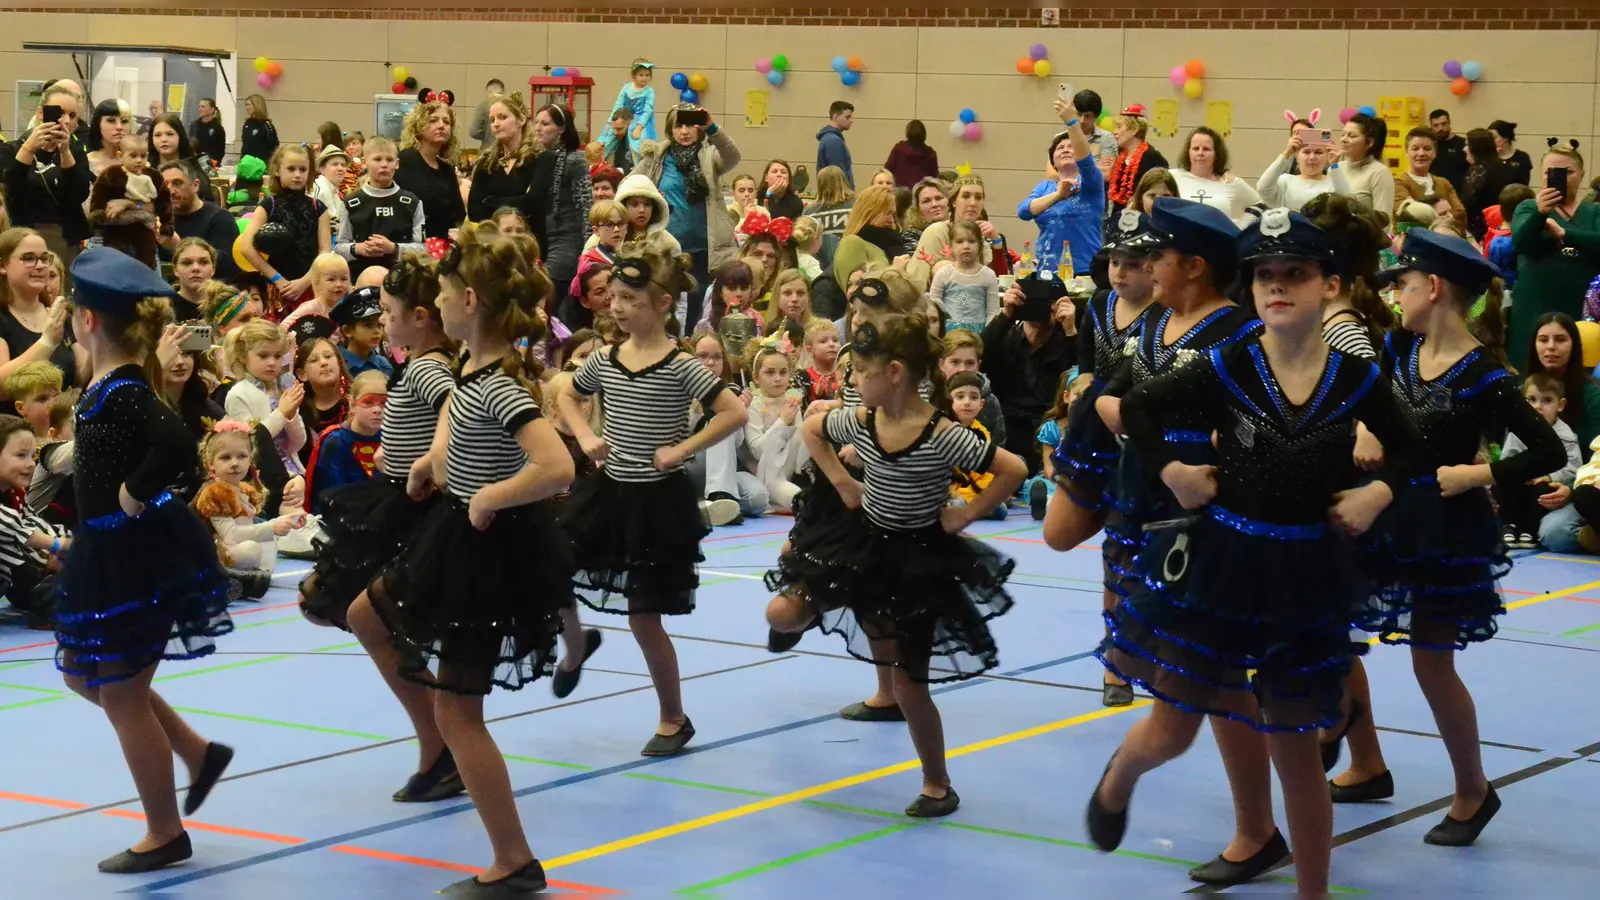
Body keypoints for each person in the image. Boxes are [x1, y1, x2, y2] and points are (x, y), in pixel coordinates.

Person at [1090, 209, 1424, 899]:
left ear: (1330, 284)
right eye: (1265, 275)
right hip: (1223, 562)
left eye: (1294, 273)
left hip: (1305, 570)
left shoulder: (1357, 376)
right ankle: (1120, 776)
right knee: (1175, 725)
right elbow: (1137, 407)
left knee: (1295, 748)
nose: (1277, 287)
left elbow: (1416, 446)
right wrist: (1172, 472)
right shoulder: (1231, 362)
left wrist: (1380, 490)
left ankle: (1313, 892)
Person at [364, 228, 578, 894]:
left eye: (447, 293)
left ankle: (512, 859)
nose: (440, 301)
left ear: (470, 300)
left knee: (461, 714)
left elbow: (557, 466)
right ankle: (504, 846)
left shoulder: (500, 386)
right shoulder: (473, 369)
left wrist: (490, 494)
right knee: (367, 615)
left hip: (483, 551)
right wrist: (434, 461)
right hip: (457, 535)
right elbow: (462, 424)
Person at [766, 308, 1025, 817]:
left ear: (895, 373)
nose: (854, 381)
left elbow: (1012, 468)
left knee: (911, 687)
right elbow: (814, 427)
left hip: (918, 560)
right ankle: (810, 615)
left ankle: (937, 783)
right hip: (862, 547)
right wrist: (842, 482)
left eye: (862, 372)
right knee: (780, 612)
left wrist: (966, 513)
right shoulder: (860, 420)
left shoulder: (945, 434)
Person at [1362, 228, 1565, 848]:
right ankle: (1354, 756)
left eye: (1402, 283)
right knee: (1336, 629)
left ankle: (1473, 789)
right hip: (1398, 514)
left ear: (1435, 286)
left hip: (1449, 530)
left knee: (1432, 665)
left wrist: (1479, 472)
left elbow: (1549, 448)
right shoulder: (1401, 350)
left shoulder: (1485, 373)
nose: (1396, 295)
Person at [54, 249, 237, 873]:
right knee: (84, 673)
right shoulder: (109, 381)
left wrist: (134, 493)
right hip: (108, 545)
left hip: (135, 550)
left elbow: (180, 444)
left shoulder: (127, 390)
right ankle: (195, 751)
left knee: (120, 691)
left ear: (88, 321)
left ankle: (164, 832)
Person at [559, 232, 749, 755]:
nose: (618, 308)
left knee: (645, 617)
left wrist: (684, 447)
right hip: (609, 493)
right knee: (552, 569)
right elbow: (566, 394)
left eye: (631, 301)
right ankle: (576, 644)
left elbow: (735, 413)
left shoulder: (683, 365)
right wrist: (585, 434)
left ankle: (673, 716)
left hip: (655, 503)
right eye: (615, 298)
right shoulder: (606, 357)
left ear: (664, 305)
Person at [1041, 209, 1159, 704]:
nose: (1120, 272)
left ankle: (1141, 653)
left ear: (1155, 266)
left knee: (1141, 558)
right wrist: (1084, 385)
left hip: (1147, 443)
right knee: (1111, 554)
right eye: (1115, 261)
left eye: (1133, 263)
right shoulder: (1099, 307)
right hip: (1097, 442)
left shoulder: (1166, 314)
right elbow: (1085, 368)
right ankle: (1116, 660)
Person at [633, 104, 742, 326]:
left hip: (704, 249)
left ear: (698, 128)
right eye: (678, 126)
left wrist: (713, 128)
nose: (684, 131)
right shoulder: (656, 157)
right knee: (666, 304)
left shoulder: (709, 155)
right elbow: (631, 185)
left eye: (690, 125)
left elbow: (732, 156)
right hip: (666, 248)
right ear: (670, 130)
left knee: (698, 308)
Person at [1508, 143, 1598, 357]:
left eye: (1567, 172)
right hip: (1534, 306)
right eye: (1550, 172)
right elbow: (1520, 242)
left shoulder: (1595, 211)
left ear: (1582, 175)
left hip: (1583, 307)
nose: (1558, 177)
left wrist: (1565, 235)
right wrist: (1539, 215)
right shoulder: (1528, 207)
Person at [0, 84, 90, 265]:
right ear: (41, 113)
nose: (66, 120)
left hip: (65, 238)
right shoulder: (10, 150)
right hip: (22, 236)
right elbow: (11, 191)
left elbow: (79, 194)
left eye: (73, 116)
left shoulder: (76, 153)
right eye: (59, 113)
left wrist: (65, 152)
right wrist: (30, 148)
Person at [1493, 373, 1581, 548]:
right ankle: (1508, 525)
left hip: (1543, 484)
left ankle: (1529, 528)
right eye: (1531, 400)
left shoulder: (1567, 436)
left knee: (1543, 490)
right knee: (1503, 484)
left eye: (1547, 401)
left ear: (1560, 405)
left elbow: (1574, 467)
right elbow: (1506, 461)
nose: (1537, 407)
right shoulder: (1517, 431)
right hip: (1520, 481)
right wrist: (1516, 473)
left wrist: (1550, 477)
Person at [1018, 120, 1105, 277]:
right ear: (1053, 162)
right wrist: (1058, 195)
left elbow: (1086, 163)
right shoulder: (1044, 188)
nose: (1065, 150)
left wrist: (1072, 121)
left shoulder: (1091, 182)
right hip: (1047, 271)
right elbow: (1024, 211)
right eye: (1060, 148)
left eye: (1071, 147)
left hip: (1084, 271)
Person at [337, 136, 426, 281]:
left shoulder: (412, 202)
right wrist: (359, 248)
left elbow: (422, 250)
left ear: (397, 164)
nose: (384, 165)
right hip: (360, 278)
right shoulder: (351, 203)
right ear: (364, 163)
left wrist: (393, 248)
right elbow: (339, 248)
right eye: (378, 159)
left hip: (401, 278)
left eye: (389, 160)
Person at [396, 96, 465, 241]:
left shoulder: (447, 169)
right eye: (433, 120)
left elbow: (458, 215)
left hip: (442, 244)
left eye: (446, 122)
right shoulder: (403, 161)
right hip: (408, 243)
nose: (441, 126)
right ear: (419, 126)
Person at [158, 161, 238, 281]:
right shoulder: (157, 220)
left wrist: (177, 245)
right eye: (164, 185)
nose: (170, 191)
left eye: (177, 183)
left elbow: (224, 269)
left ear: (195, 185)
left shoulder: (220, 219)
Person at [1171, 127, 1261, 223]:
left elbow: (1260, 204)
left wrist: (1240, 228)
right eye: (1196, 148)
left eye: (1206, 149)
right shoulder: (1173, 177)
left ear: (1216, 154)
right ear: (1188, 152)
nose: (1200, 153)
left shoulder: (1230, 182)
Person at [1394, 127, 1466, 226]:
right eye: (1415, 148)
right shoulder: (1398, 183)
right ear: (1407, 152)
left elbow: (1461, 214)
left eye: (1427, 149)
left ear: (1435, 153)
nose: (1421, 153)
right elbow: (1406, 212)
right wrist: (1444, 213)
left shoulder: (1444, 183)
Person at [1339, 114, 1394, 219]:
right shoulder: (1336, 168)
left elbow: (1384, 220)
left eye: (1352, 136)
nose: (1344, 140)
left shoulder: (1379, 172)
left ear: (1369, 142)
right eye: (1343, 134)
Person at [883, 120, 938, 188]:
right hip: (921, 191)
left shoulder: (899, 149)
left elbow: (887, 170)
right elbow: (934, 177)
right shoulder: (930, 153)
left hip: (900, 190)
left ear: (908, 133)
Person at [1429, 108, 1468, 196]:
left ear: (1449, 123)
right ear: (1431, 127)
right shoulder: (1430, 145)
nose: (1440, 128)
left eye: (1443, 124)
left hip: (1457, 194)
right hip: (1434, 194)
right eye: (1436, 125)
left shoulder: (1463, 144)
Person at [817, 101, 855, 188]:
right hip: (838, 197)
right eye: (847, 117)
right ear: (835, 116)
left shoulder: (830, 139)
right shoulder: (833, 141)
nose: (851, 121)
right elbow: (837, 176)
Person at [1490, 120, 1534, 186]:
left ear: (1505, 138)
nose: (1491, 140)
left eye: (1494, 137)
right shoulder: (1489, 157)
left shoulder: (1522, 157)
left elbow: (1524, 184)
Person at [239, 94, 278, 163]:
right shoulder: (247, 124)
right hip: (247, 163)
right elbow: (245, 146)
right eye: (246, 105)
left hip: (261, 164)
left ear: (257, 105)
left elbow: (273, 146)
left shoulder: (266, 125)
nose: (247, 107)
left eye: (249, 105)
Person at [469, 78, 504, 151]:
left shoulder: (484, 104)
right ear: (502, 91)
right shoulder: (511, 104)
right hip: (508, 151)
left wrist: (487, 136)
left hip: (488, 150)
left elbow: (474, 132)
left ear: (489, 91)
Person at [190, 98, 225, 167]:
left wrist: (215, 162)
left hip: (212, 164)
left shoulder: (217, 128)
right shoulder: (194, 125)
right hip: (196, 163)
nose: (200, 109)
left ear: (212, 110)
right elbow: (191, 144)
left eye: (203, 107)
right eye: (199, 107)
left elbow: (221, 149)